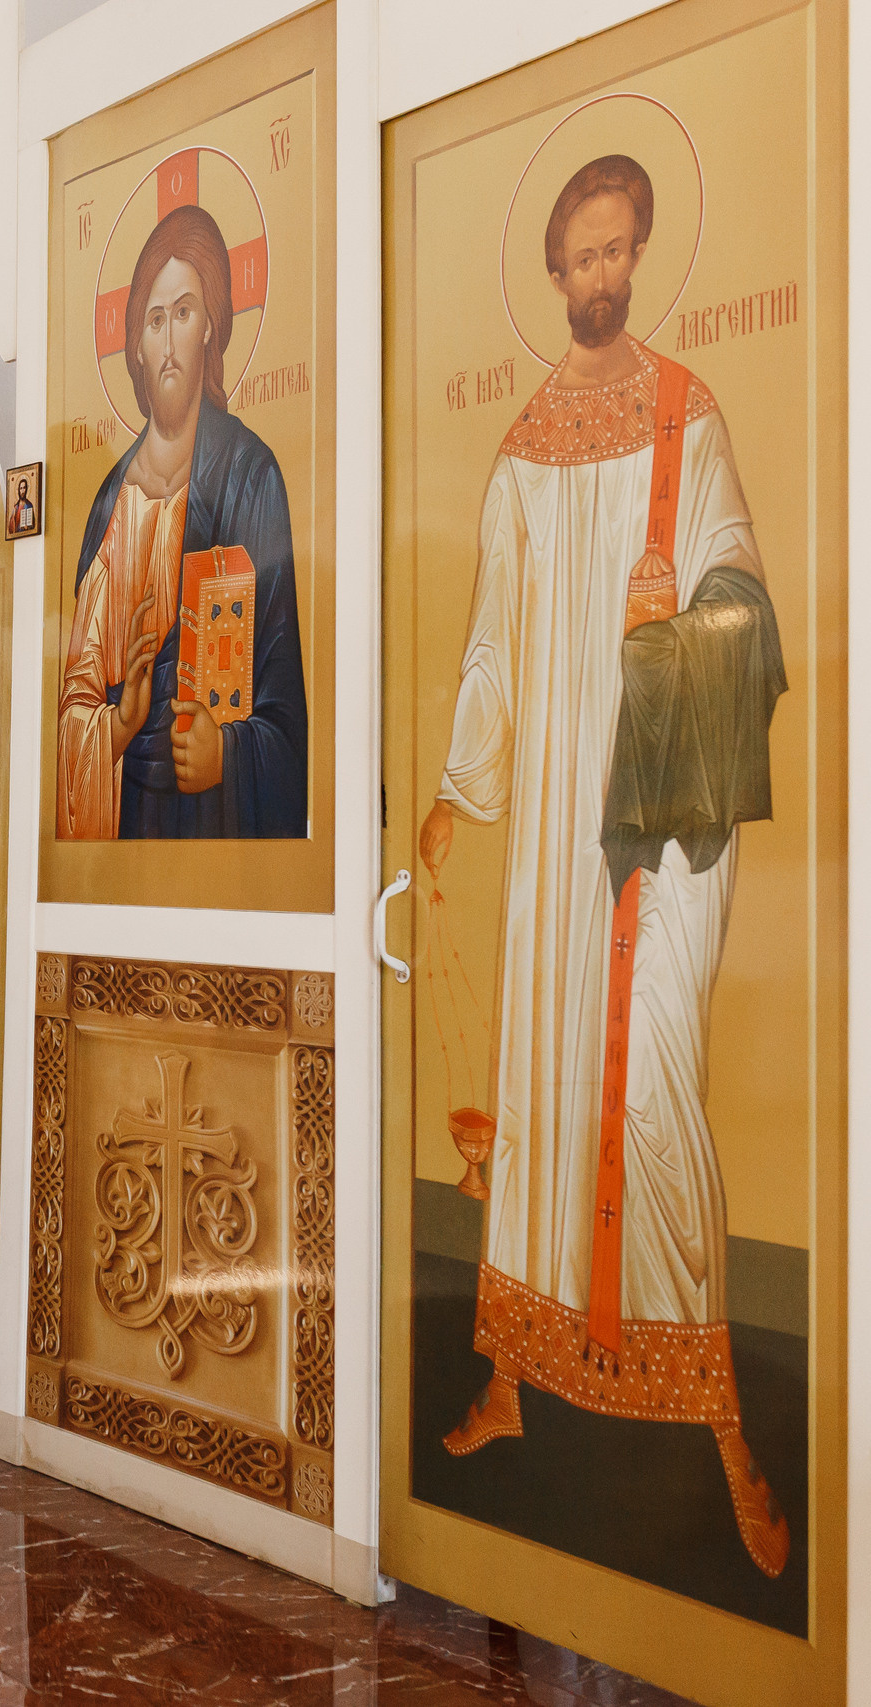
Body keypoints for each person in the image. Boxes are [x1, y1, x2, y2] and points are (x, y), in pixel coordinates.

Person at [419, 154, 789, 1577]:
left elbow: (745, 587)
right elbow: (498, 641)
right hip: (552, 849)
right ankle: (513, 1378)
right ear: (554, 273)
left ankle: (726, 1431)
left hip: (654, 819)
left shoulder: (691, 419)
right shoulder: (521, 450)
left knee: (657, 1089)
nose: (597, 274)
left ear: (639, 254)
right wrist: (463, 792)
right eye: (574, 255)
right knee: (539, 1085)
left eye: (616, 249)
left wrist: (700, 610)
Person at [55, 203, 305, 840]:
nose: (168, 342)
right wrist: (117, 724)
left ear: (210, 330)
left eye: (184, 314)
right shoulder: (110, 506)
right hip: (128, 817)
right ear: (136, 346)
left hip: (214, 822)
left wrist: (231, 753)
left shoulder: (249, 475)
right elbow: (74, 702)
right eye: (154, 320)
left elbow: (284, 707)